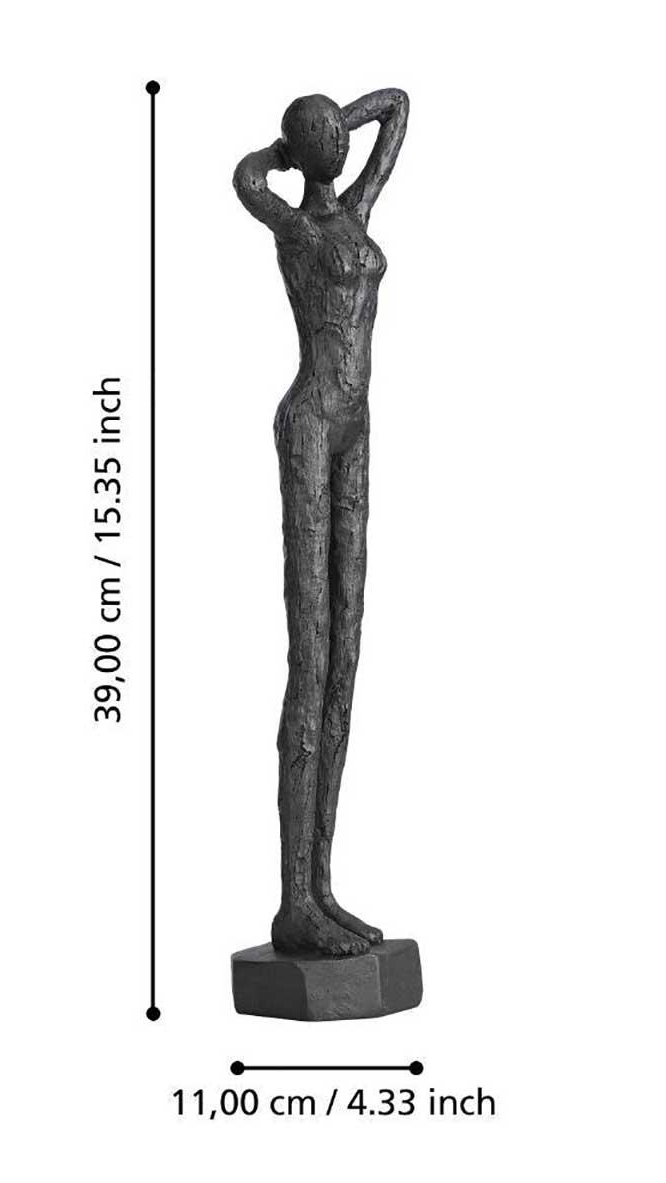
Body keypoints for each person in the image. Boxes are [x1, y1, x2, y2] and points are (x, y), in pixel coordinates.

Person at [233, 89, 409, 955]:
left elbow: (400, 108)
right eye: (325, 135)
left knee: (347, 653)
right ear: (305, 151)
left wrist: (335, 120)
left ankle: (322, 886)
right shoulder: (296, 229)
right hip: (311, 422)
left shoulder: (355, 211)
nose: (340, 139)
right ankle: (292, 900)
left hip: (356, 427)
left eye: (339, 130)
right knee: (311, 658)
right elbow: (243, 178)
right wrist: (283, 152)